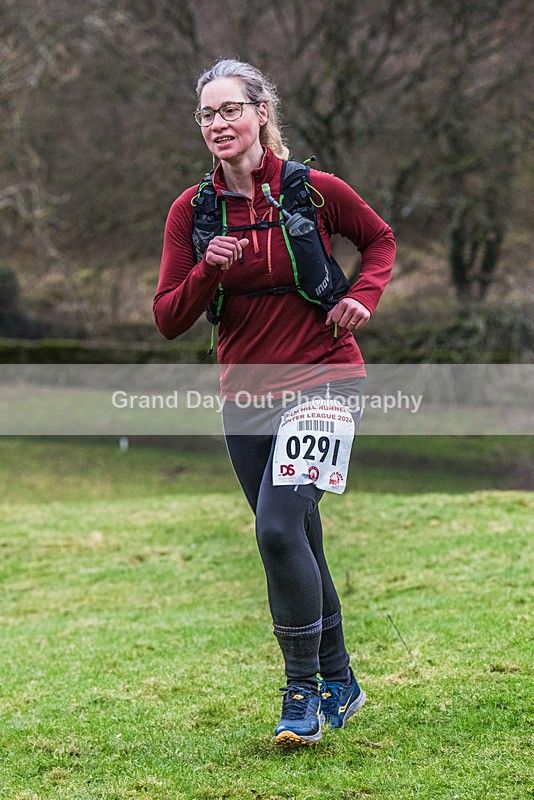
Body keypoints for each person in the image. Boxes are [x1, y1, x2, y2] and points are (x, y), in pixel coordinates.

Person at [153, 58, 396, 746]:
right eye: (207, 114)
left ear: (262, 113)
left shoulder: (312, 190)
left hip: (325, 378)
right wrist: (209, 268)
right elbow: (169, 316)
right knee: (299, 537)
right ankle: (342, 680)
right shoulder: (193, 211)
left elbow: (379, 240)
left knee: (278, 530)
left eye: (231, 109)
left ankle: (302, 694)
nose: (219, 124)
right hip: (246, 396)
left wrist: (360, 296)